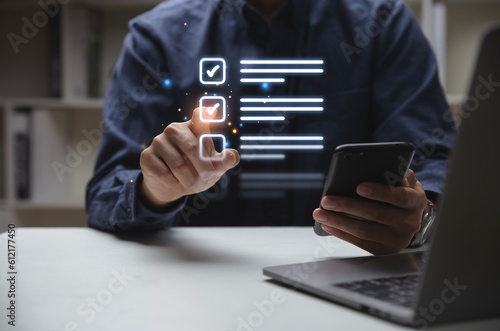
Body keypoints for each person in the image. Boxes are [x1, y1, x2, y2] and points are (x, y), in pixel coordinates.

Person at [86, 0, 455, 255]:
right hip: (194, 289)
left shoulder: (384, 24)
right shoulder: (157, 36)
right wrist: (157, 189)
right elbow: (106, 192)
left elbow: (435, 160)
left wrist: (421, 216)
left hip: (351, 276)